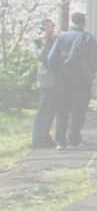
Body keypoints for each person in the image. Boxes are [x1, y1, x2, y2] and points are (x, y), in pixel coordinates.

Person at [47, 11, 97, 148]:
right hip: (82, 79)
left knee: (62, 109)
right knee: (79, 110)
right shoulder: (89, 38)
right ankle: (74, 138)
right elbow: (96, 59)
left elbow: (51, 58)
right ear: (83, 23)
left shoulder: (61, 37)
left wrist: (57, 73)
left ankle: (60, 140)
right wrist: (91, 73)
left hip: (64, 79)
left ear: (72, 21)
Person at [31, 18, 61, 149]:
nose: (52, 30)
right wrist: (46, 42)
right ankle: (38, 138)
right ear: (43, 28)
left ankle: (45, 135)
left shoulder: (54, 40)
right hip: (45, 80)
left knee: (51, 110)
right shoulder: (39, 42)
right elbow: (42, 57)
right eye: (49, 27)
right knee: (43, 110)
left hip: (54, 79)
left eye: (52, 27)